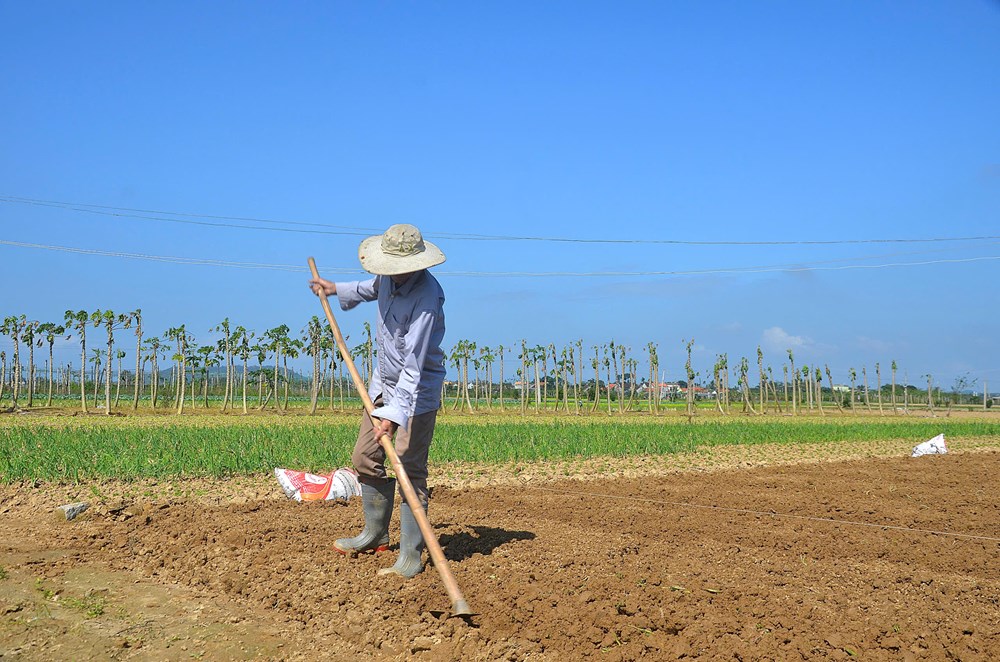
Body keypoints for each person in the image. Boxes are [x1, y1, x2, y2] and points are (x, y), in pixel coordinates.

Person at [308, 223, 446, 578]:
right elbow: (370, 287)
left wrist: (395, 415)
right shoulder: (388, 279)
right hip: (383, 383)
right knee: (364, 457)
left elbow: (414, 366)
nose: (391, 276)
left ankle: (410, 556)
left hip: (415, 393)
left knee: (408, 470)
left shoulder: (427, 298)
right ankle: (376, 533)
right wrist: (334, 288)